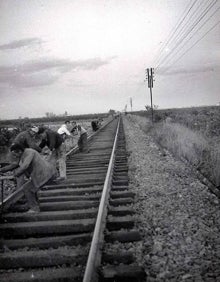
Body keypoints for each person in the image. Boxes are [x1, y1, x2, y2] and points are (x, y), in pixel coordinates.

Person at [0, 144, 56, 213]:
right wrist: (2, 170)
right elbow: (15, 164)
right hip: (41, 174)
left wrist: (16, 174)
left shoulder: (29, 152)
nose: (15, 156)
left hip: (43, 173)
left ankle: (34, 208)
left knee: (27, 189)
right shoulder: (23, 154)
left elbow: (25, 166)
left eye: (15, 154)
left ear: (19, 151)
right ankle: (35, 205)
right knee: (31, 188)